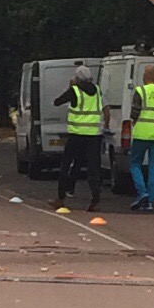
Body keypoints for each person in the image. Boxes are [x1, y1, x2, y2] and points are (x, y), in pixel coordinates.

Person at [51, 67, 107, 215]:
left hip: (77, 135)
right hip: (94, 135)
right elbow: (104, 108)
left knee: (66, 164)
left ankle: (61, 198)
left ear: (77, 79)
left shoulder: (74, 91)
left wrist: (70, 87)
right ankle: (95, 201)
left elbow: (57, 102)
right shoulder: (98, 90)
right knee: (94, 168)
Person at [125, 68, 154, 212]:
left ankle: (142, 192)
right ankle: (150, 201)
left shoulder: (140, 91)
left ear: (146, 76)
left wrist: (134, 122)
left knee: (135, 164)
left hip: (142, 133)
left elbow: (135, 112)